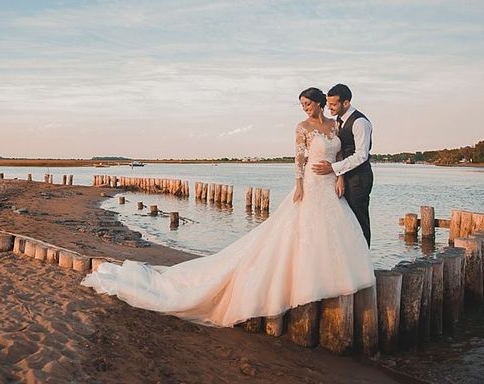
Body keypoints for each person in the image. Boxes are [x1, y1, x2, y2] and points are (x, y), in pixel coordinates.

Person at [81, 88, 374, 327]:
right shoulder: (302, 128)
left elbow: (345, 153)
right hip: (310, 182)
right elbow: (299, 159)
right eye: (302, 105)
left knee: (331, 230)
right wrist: (298, 184)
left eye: (308, 104)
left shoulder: (335, 125)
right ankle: (306, 285)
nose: (305, 109)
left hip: (330, 183)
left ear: (322, 103)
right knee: (301, 231)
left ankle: (329, 277)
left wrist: (338, 175)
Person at [312, 84, 373, 247]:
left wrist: (333, 168)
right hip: (345, 175)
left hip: (359, 177)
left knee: (359, 220)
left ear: (346, 103)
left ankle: (364, 263)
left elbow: (361, 155)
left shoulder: (360, 122)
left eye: (333, 105)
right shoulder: (338, 121)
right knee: (346, 221)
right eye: (328, 103)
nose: (329, 107)